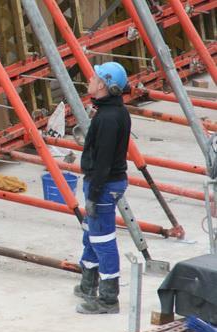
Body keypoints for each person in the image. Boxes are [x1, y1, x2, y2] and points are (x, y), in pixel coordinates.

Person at [74, 62, 131, 314]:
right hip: (104, 183)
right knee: (91, 234)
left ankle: (108, 298)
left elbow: (104, 161)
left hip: (104, 185)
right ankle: (89, 283)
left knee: (103, 239)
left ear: (104, 86)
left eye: (95, 77)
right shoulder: (111, 111)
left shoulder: (108, 118)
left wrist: (94, 194)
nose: (90, 78)